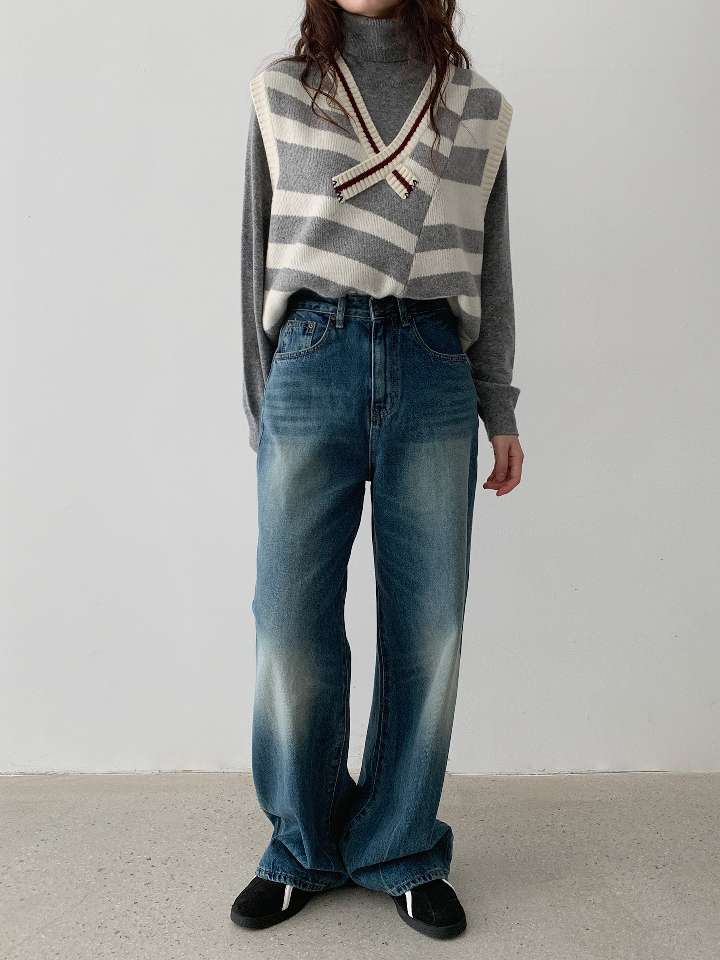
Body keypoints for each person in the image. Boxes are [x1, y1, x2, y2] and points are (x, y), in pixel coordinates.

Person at [232, 0, 524, 940]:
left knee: (429, 627)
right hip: (310, 357)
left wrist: (499, 404)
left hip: (434, 363)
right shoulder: (282, 90)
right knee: (289, 623)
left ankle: (399, 846)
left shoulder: (476, 105)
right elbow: (254, 254)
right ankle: (303, 845)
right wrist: (262, 406)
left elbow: (490, 264)